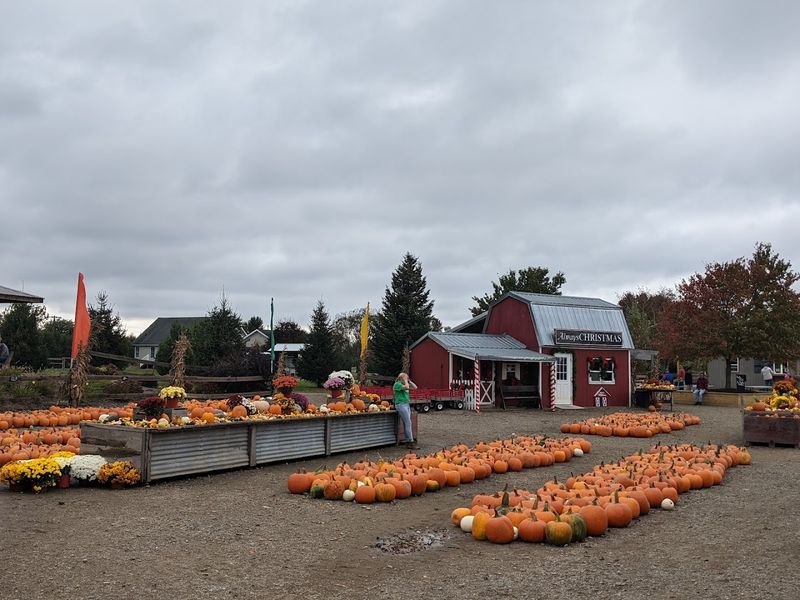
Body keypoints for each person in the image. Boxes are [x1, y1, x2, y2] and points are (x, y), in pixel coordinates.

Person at [393, 372, 418, 449]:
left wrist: (409, 381)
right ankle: (410, 442)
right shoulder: (397, 384)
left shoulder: (405, 384)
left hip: (406, 404)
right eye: (405, 378)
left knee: (407, 423)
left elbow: (415, 387)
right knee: (408, 423)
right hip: (400, 405)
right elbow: (406, 387)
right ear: (401, 378)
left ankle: (408, 442)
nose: (406, 379)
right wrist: (405, 380)